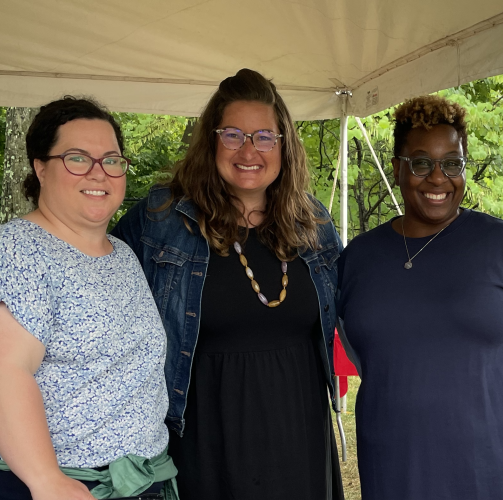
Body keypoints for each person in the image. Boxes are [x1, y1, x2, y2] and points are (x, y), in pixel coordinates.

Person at [0, 97, 175, 500]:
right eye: (78, 158)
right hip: (32, 485)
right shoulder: (13, 252)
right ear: (40, 167)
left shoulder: (122, 255)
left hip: (128, 478)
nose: (99, 173)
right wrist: (47, 480)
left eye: (112, 160)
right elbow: (0, 373)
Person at [111, 69, 344, 500]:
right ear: (211, 142)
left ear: (284, 145)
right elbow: (99, 279)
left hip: (300, 431)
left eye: (264, 136)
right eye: (233, 134)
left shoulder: (314, 223)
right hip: (203, 431)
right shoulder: (163, 218)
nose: (249, 150)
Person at [337, 94, 503, 499]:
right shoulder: (358, 259)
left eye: (452, 163)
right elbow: (367, 352)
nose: (438, 177)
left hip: (495, 469)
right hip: (395, 467)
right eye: (421, 162)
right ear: (397, 168)